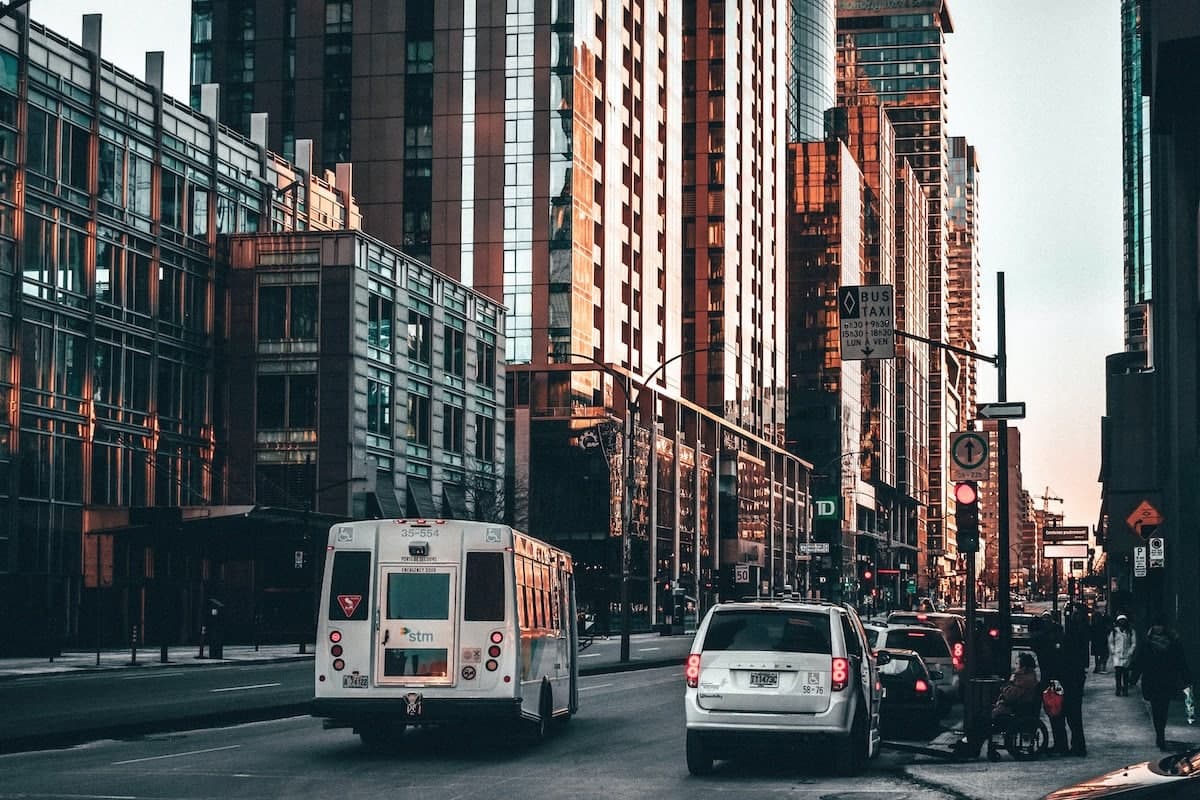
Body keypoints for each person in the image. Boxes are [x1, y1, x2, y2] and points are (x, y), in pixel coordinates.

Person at [1132, 615, 1192, 750]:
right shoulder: (1148, 643)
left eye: (1160, 625)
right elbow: (1140, 661)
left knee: (1162, 709)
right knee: (1156, 709)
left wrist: (1186, 677)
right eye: (1156, 625)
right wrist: (1134, 677)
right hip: (1153, 680)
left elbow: (1180, 661)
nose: (1158, 628)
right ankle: (1160, 734)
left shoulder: (1172, 643)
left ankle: (1161, 734)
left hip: (1166, 680)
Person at [992, 651, 1041, 720]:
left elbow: (1010, 696)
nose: (1014, 666)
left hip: (1019, 709)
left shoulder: (1023, 680)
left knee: (993, 713)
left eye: (1016, 664)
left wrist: (1004, 687)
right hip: (1019, 707)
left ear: (1023, 667)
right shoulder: (1028, 677)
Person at [1108, 613, 1137, 696]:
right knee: (1118, 673)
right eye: (1120, 621)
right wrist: (1113, 651)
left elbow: (1133, 643)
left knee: (1125, 674)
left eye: (1123, 621)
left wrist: (1130, 652)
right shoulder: (1114, 631)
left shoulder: (1131, 631)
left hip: (1126, 655)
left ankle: (1125, 689)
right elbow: (1111, 642)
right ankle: (1118, 688)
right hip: (1117, 655)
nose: (1122, 623)